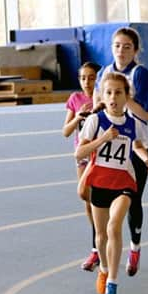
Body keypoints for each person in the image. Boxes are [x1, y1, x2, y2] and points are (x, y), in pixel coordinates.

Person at [76, 72, 148, 294]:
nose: (113, 97)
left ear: (126, 96)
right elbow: (79, 153)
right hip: (100, 182)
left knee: (114, 227)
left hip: (124, 183)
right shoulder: (95, 121)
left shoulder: (133, 123)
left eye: (118, 92)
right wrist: (103, 140)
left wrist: (145, 158)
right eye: (108, 92)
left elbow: (138, 144)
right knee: (100, 237)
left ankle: (112, 281)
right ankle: (103, 267)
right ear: (103, 95)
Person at [94, 27, 148, 277]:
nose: (121, 50)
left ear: (136, 50)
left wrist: (123, 97)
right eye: (117, 45)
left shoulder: (140, 75)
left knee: (133, 201)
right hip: (109, 143)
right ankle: (99, 252)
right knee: (99, 200)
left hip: (135, 143)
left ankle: (135, 247)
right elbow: (99, 103)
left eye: (127, 46)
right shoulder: (104, 72)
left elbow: (147, 115)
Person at [62, 61, 102, 272]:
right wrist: (78, 116)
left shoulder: (104, 97)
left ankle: (98, 245)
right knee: (86, 198)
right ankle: (98, 241)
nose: (87, 82)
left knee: (97, 199)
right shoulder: (75, 99)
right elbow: (66, 131)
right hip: (82, 154)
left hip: (101, 154)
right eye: (83, 78)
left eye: (92, 77)